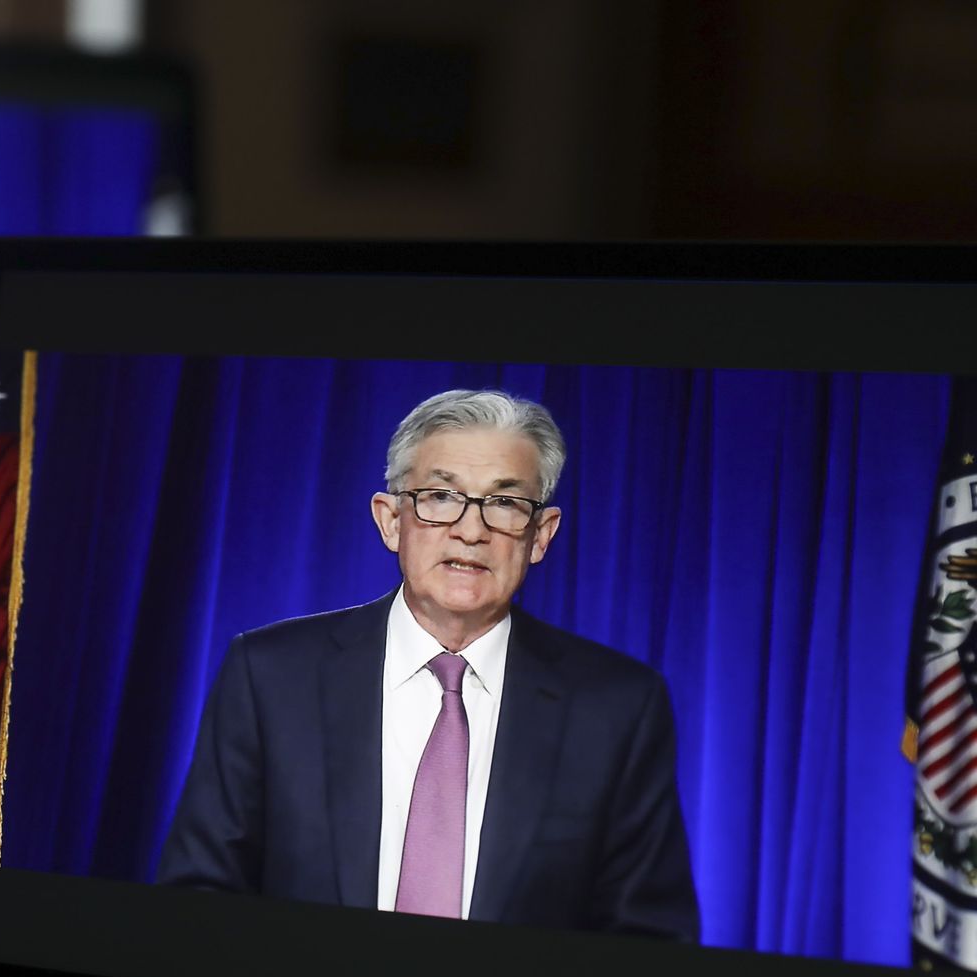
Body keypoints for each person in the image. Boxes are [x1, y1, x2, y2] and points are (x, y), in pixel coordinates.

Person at [158, 389, 698, 941]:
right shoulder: (269, 675)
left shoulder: (618, 706)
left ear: (542, 535)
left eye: (506, 504)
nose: (470, 529)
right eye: (441, 496)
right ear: (391, 520)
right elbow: (201, 893)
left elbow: (646, 938)